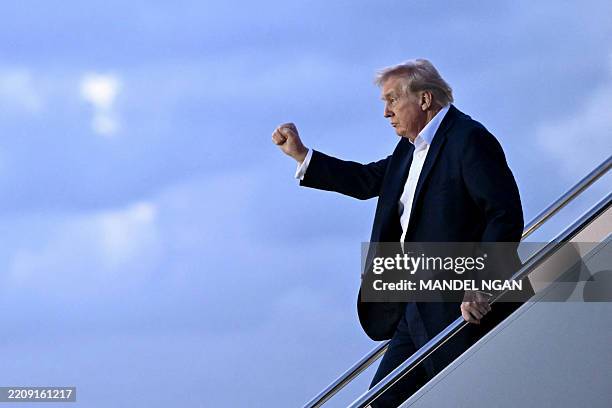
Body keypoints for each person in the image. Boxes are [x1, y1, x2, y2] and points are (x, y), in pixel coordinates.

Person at [272, 59, 533, 407]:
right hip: (415, 308)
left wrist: (481, 284)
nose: (386, 112)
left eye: (392, 100)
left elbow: (504, 214)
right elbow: (366, 180)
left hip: (462, 308)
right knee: (379, 402)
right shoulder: (409, 149)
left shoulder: (469, 139)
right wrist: (303, 156)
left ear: (424, 100)